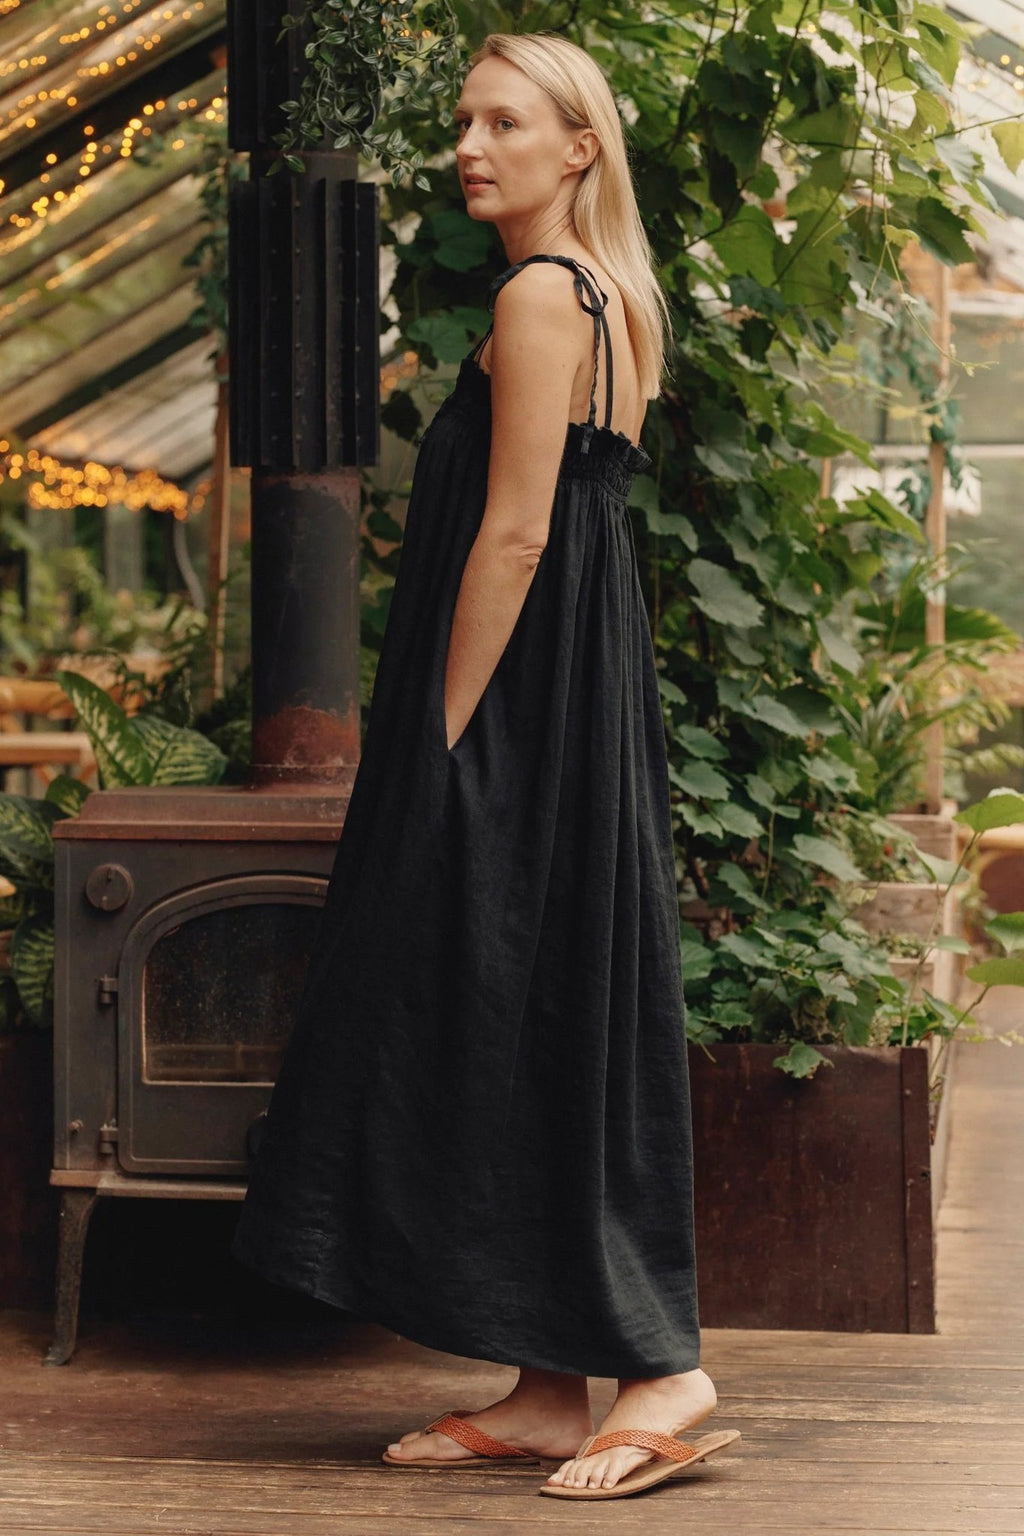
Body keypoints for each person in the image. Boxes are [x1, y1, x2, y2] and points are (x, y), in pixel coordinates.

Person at [231, 30, 740, 1503]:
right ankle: (546, 1386)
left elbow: (517, 534)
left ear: (577, 148)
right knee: (543, 1010)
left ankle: (663, 1369)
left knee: (479, 996)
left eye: (502, 120)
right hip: (576, 704)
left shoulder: (537, 296)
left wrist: (442, 741)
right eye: (463, 118)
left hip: (513, 710)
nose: (468, 143)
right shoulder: (612, 295)